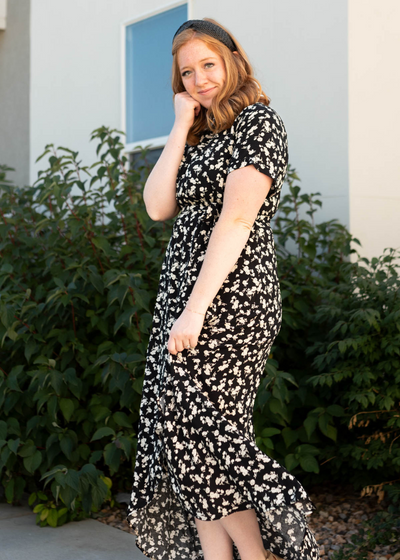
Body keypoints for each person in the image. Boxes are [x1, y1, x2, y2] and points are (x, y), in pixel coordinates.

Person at [126, 17, 320, 560]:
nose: (199, 79)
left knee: (212, 438)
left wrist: (195, 311)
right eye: (187, 72)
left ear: (233, 59)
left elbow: (235, 223)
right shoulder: (199, 132)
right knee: (183, 440)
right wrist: (180, 125)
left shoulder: (260, 123)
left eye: (208, 64)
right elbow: (158, 205)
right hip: (183, 298)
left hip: (229, 298)